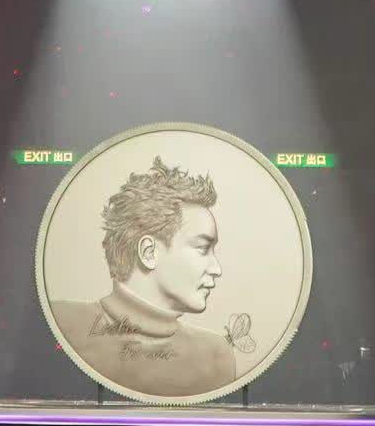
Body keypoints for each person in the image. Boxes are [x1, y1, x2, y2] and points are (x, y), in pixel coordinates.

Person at [48, 157, 238, 398]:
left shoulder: (215, 355)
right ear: (149, 252)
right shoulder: (59, 321)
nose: (216, 268)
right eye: (202, 248)